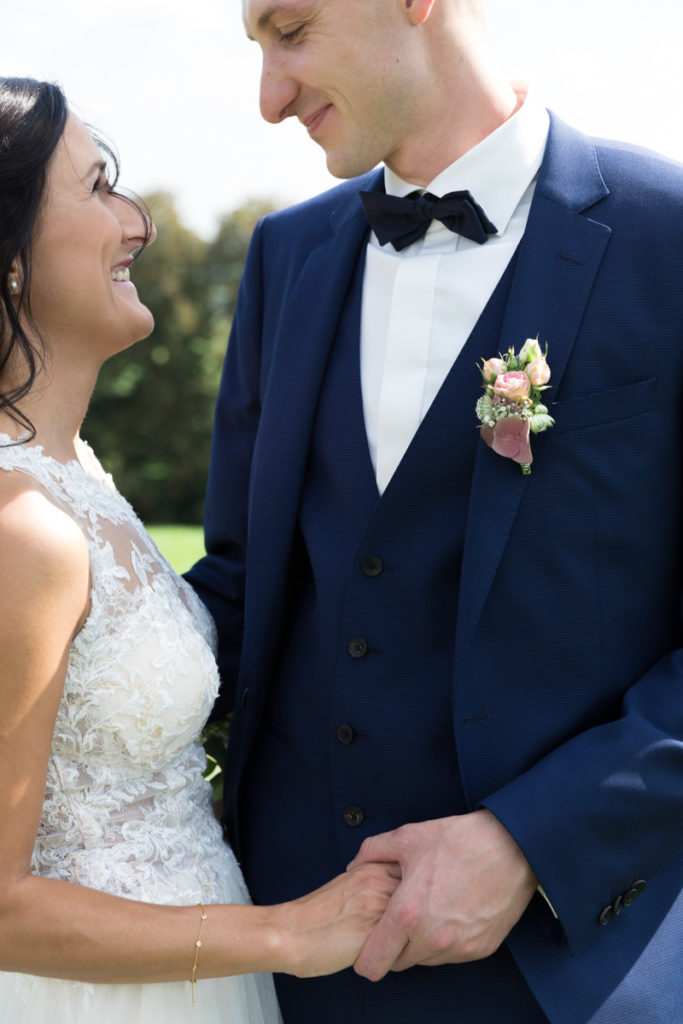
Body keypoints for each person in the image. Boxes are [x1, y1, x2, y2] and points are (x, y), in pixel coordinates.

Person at [186, 1, 683, 1022]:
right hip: (282, 957)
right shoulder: (284, 259)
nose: (269, 98)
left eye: (289, 31)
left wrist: (533, 840)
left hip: (566, 966)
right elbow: (236, 586)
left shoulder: (664, 235)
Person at [0, 76, 399, 1024]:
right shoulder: (20, 528)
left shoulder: (76, 480)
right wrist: (291, 934)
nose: (137, 222)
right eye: (98, 187)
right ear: (7, 256)